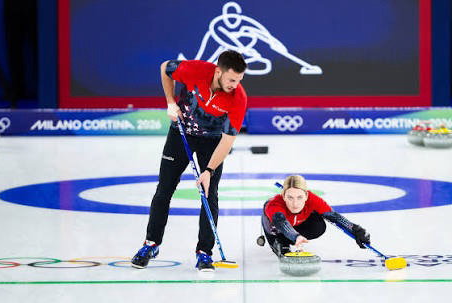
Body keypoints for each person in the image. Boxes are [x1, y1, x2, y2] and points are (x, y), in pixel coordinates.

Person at [131, 50, 247, 271]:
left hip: (212, 142)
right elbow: (165, 67)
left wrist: (209, 171)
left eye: (239, 80)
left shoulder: (238, 97)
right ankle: (151, 244)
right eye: (232, 79)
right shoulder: (196, 70)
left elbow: (227, 140)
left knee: (209, 194)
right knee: (164, 189)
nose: (235, 84)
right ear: (218, 71)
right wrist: (170, 102)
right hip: (181, 132)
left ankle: (204, 252)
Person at [260, 175, 371, 257]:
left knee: (318, 225)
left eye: (299, 197)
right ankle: (280, 241)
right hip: (277, 229)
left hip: (297, 224)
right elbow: (282, 224)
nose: (295, 204)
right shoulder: (274, 205)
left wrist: (356, 229)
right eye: (290, 197)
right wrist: (296, 236)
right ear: (283, 196)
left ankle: (293, 238)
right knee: (278, 230)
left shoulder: (313, 199)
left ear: (306, 195)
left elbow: (334, 216)